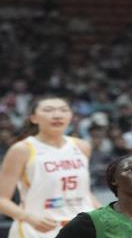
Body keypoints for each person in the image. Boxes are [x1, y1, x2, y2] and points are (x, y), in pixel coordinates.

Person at [0, 95, 99, 238]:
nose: (57, 115)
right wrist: (28, 217)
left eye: (63, 110)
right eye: (48, 110)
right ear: (33, 118)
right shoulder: (22, 149)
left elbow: (84, 192)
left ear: (71, 116)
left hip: (80, 228)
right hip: (38, 229)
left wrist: (104, 214)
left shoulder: (82, 146)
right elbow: (2, 199)